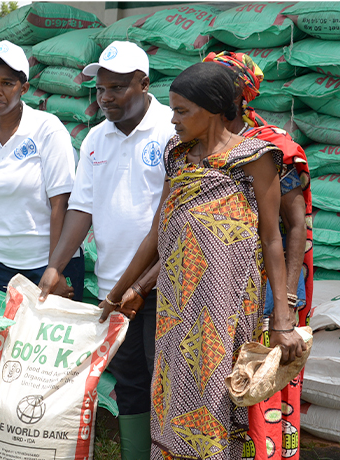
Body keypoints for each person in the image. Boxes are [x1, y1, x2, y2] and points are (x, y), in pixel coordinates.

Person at [99, 62, 306, 459]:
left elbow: (271, 237)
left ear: (212, 109)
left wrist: (282, 315)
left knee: (215, 395)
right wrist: (118, 293)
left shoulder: (253, 158)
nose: (173, 119)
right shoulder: (176, 156)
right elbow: (158, 234)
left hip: (225, 307)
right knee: (173, 390)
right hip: (177, 305)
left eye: (181, 111)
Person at [37, 41, 176, 459]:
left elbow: (171, 217)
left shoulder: (173, 129)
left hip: (162, 283)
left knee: (163, 380)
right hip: (112, 285)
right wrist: (55, 265)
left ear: (144, 83)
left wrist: (139, 283)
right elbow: (82, 207)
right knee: (130, 379)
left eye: (116, 88)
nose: (106, 98)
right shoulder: (96, 137)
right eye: (100, 90)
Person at [203, 51, 312, 460]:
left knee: (258, 386)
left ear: (235, 95)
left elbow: (294, 226)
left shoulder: (271, 148)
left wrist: (284, 300)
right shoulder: (197, 141)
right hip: (218, 283)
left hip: (267, 286)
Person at [0, 40, 82, 304]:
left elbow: (60, 205)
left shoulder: (47, 130)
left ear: (24, 88)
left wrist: (55, 269)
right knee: (6, 343)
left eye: (6, 83)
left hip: (45, 265)